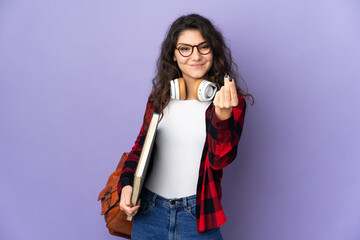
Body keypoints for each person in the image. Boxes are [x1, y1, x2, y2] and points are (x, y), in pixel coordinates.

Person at [117, 13, 254, 239]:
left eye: (203, 47)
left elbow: (221, 159)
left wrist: (221, 116)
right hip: (149, 212)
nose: (195, 56)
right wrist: (126, 185)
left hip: (197, 215)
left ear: (214, 51)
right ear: (173, 54)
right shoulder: (159, 99)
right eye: (185, 48)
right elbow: (139, 149)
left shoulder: (230, 101)